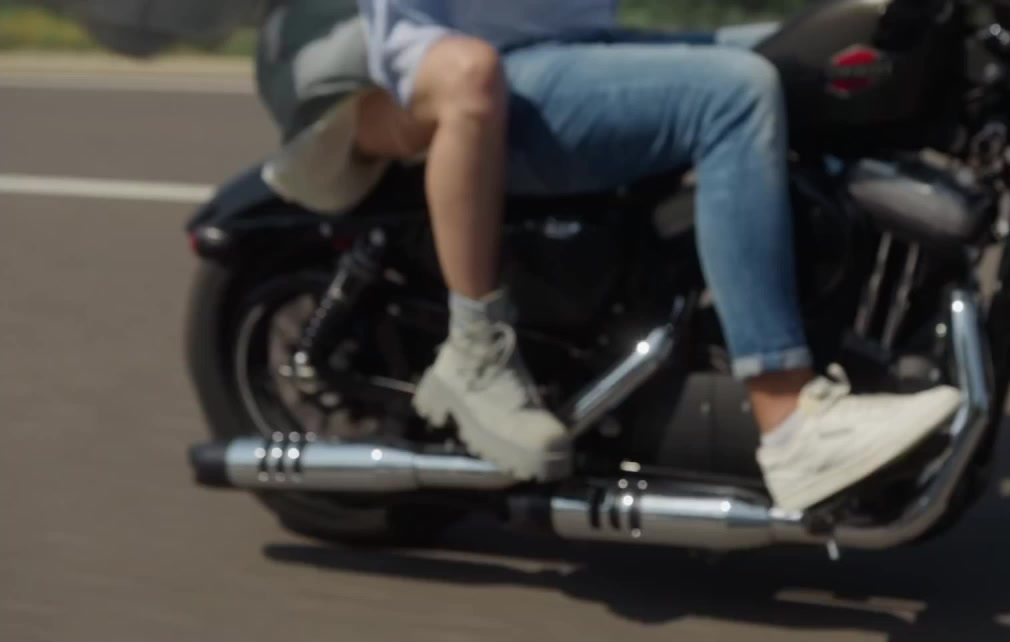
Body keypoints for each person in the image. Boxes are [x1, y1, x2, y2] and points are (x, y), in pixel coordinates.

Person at [330, 0, 962, 512]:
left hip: (569, 48)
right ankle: (788, 421)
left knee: (829, 55)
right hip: (477, 75)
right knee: (736, 95)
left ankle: (865, 342)